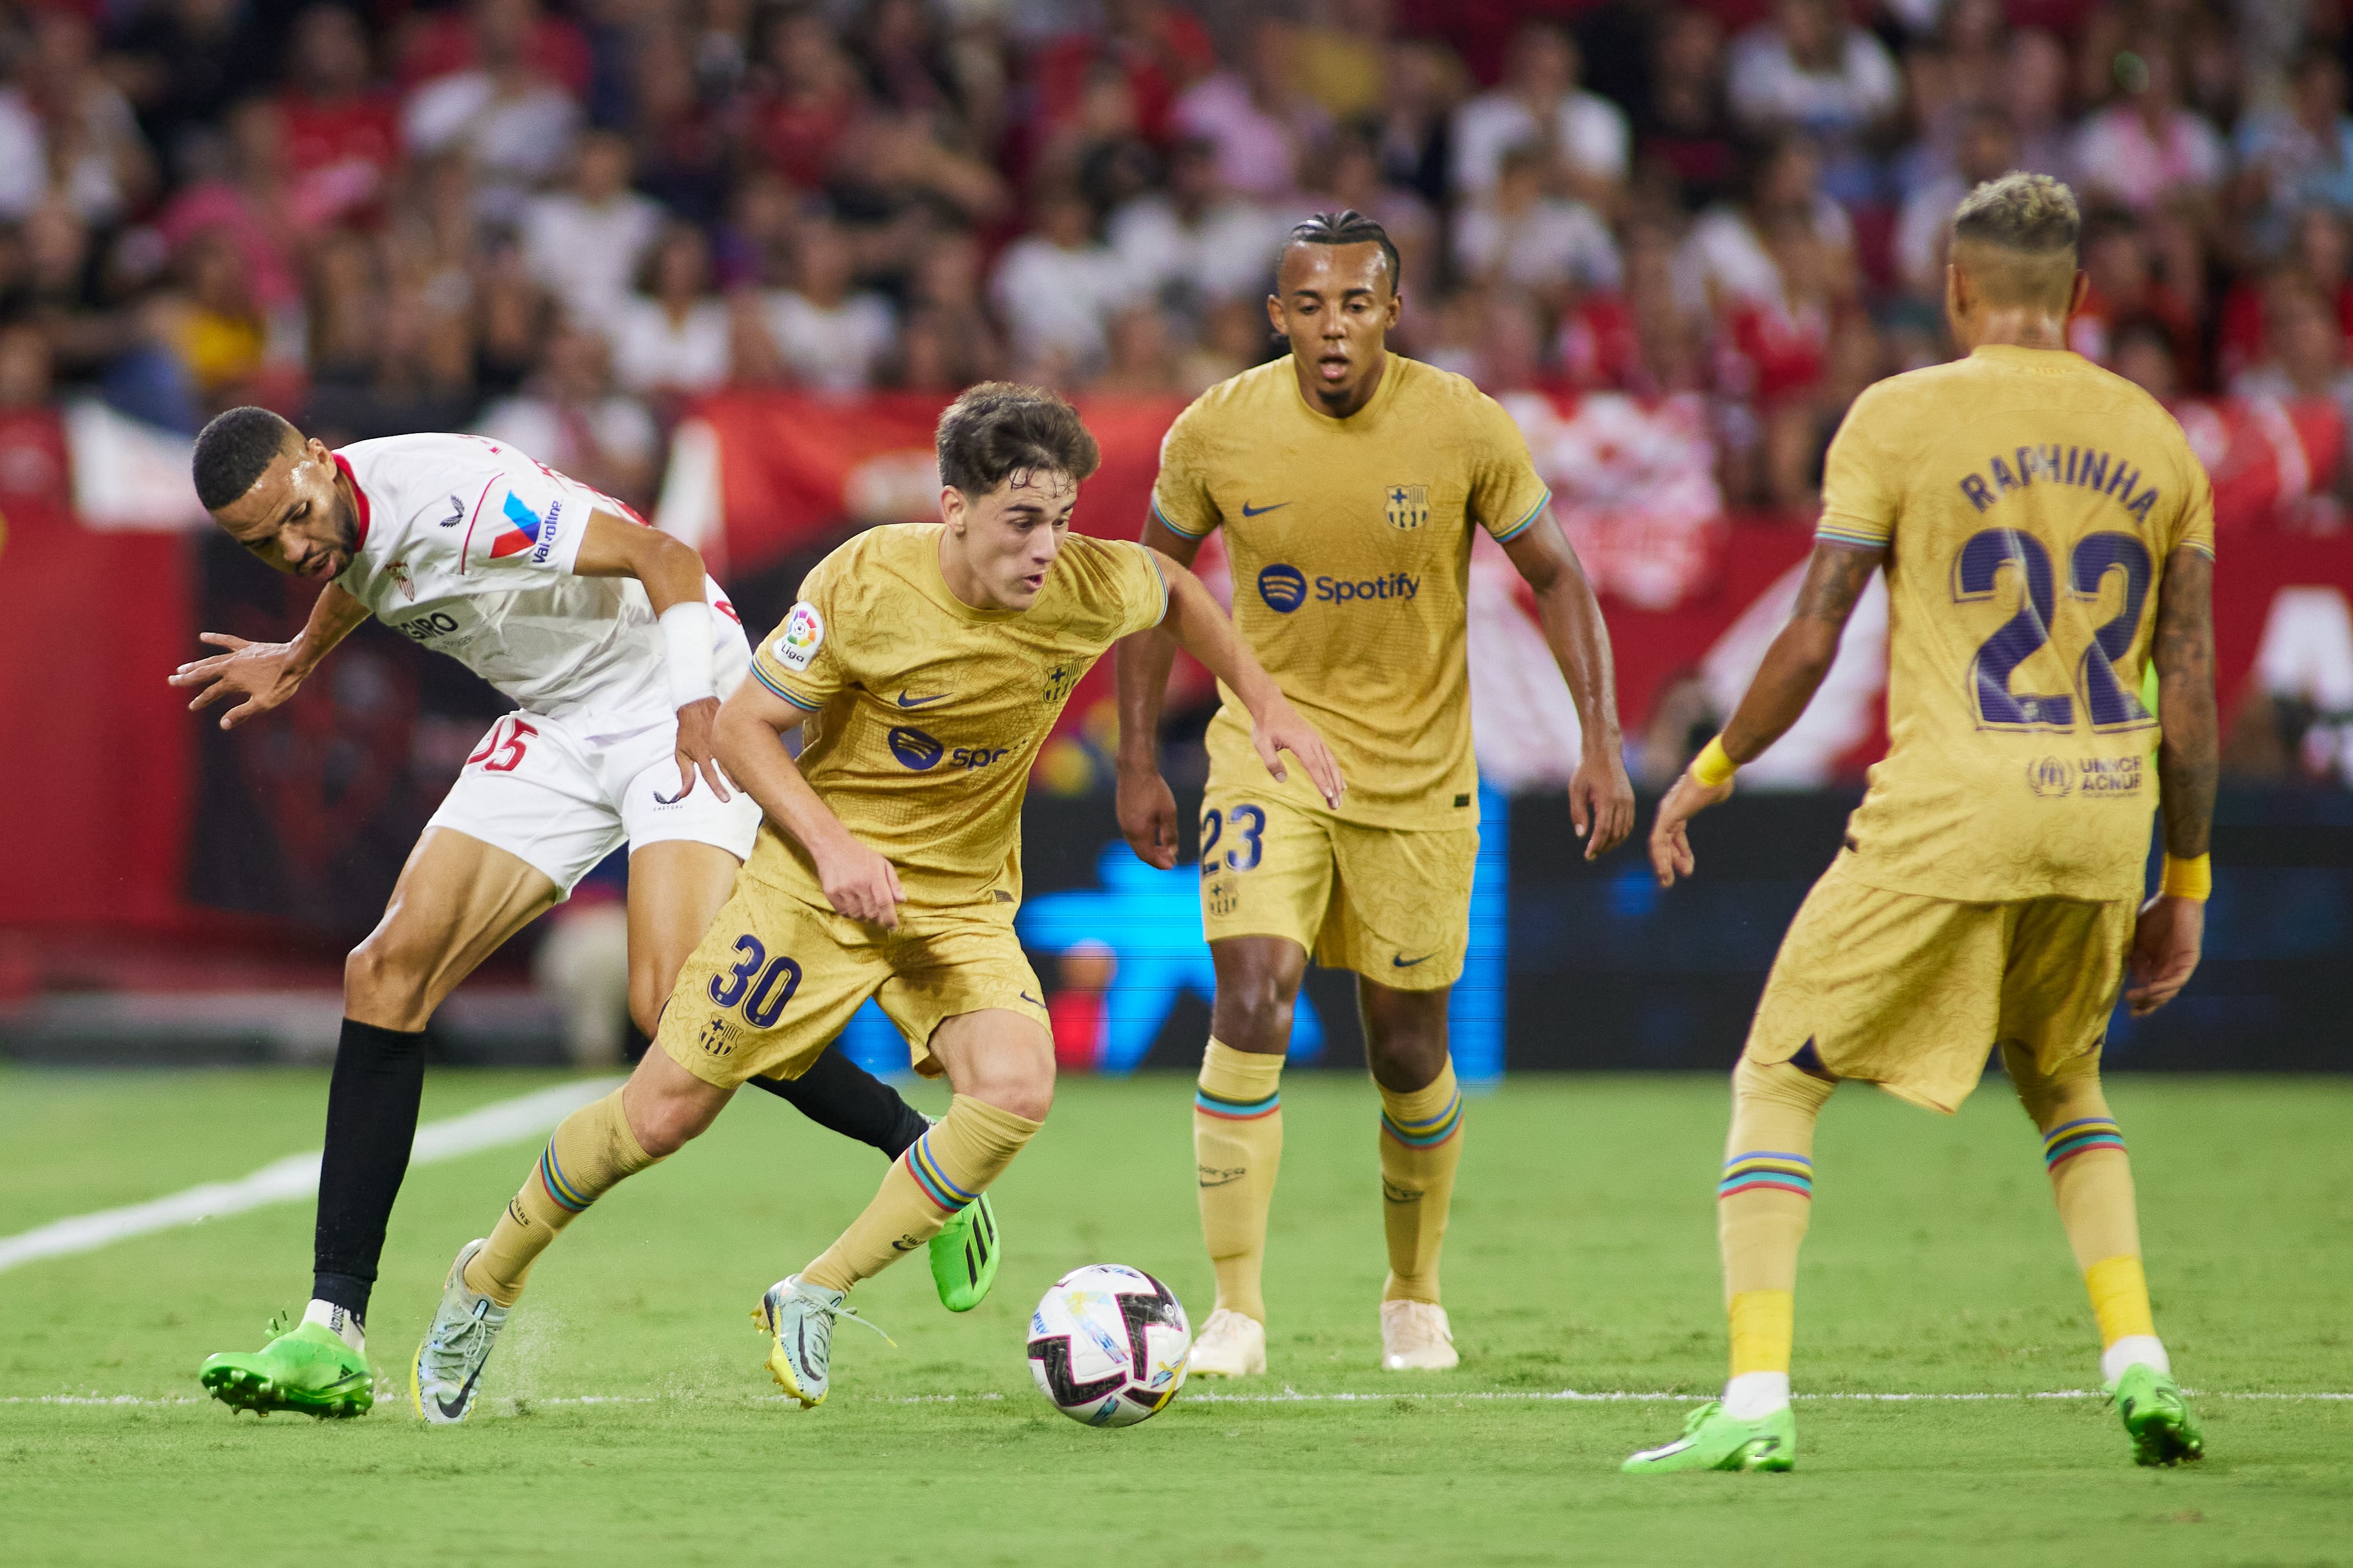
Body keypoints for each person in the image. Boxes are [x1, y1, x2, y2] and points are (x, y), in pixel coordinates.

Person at [407, 383, 1344, 1421]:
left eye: (1063, 520)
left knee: (1018, 1088)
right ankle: (486, 1279)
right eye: (1023, 520)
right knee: (662, 1115)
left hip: (960, 898)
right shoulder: (863, 582)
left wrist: (1267, 706)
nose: (1047, 547)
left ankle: (814, 1291)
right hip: (815, 885)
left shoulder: (1084, 583)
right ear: (954, 507)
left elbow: (1173, 588)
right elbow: (741, 730)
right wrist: (835, 844)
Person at [173, 408, 985, 1419]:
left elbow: (666, 555)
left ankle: (926, 1154)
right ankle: (331, 1331)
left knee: (677, 1007)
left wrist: (698, 703)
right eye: (261, 543)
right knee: (382, 972)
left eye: (295, 516)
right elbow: (361, 570)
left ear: (319, 459)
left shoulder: (457, 498)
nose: (291, 547)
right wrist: (300, 651)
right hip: (558, 724)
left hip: (674, 697)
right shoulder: (340, 518)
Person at [1626, 173, 2214, 1474]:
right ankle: (2138, 1366)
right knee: (2064, 1084)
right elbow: (2188, 686)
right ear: (2077, 295)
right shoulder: (2159, 441)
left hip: (1956, 799)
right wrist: (2186, 876)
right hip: (2105, 807)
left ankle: (1755, 1399)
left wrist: (1711, 762)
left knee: (1778, 1076)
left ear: (1954, 288)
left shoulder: (1895, 415)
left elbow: (1816, 627)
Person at [1116, 211, 1635, 1379]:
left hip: (1415, 776)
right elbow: (1149, 583)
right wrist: (1140, 758)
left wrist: (1598, 739)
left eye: (1355, 302)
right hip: (1270, 751)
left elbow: (1557, 574)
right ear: (1277, 316)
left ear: (1392, 311)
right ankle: (1236, 1312)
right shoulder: (1218, 428)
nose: (1332, 326)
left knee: (1406, 1049)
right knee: (1252, 993)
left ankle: (1413, 1291)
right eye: (1309, 305)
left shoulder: (1462, 424)